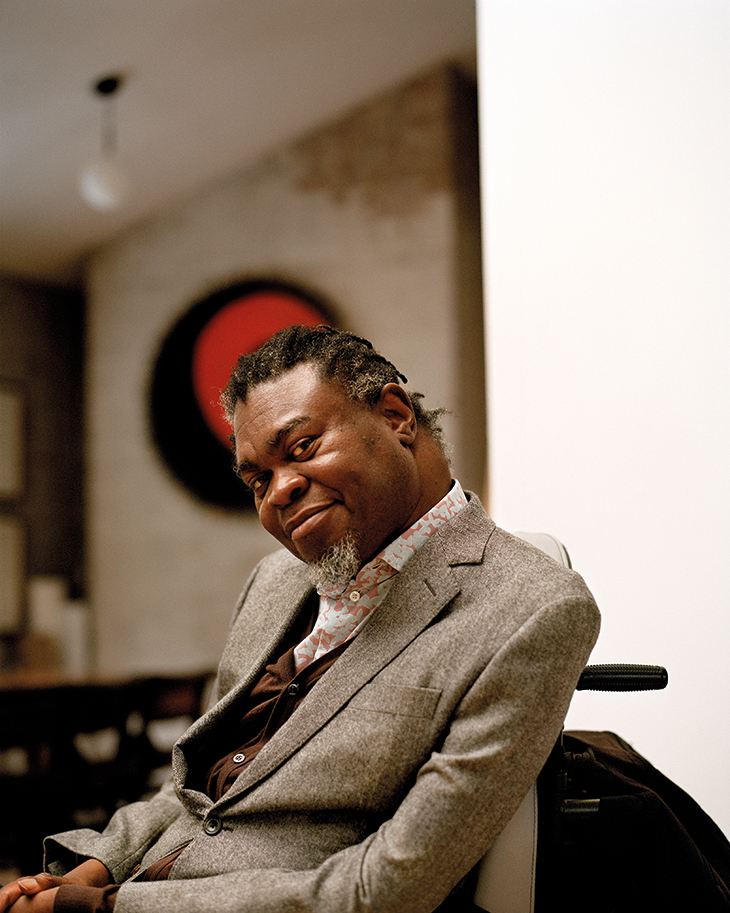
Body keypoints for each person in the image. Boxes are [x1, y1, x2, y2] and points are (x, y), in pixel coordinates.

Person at [0, 326, 600, 913]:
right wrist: (97, 864)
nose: (279, 491)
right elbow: (201, 785)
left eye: (302, 448)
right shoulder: (274, 581)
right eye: (258, 480)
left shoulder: (532, 606)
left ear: (395, 416)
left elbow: (389, 889)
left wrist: (105, 905)